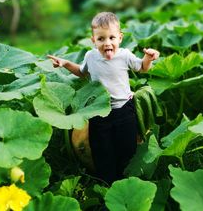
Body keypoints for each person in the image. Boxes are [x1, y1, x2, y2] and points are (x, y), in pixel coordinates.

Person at [48, 12, 159, 185]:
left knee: (127, 148)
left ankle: (127, 181)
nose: (107, 43)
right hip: (99, 112)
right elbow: (82, 72)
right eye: (101, 39)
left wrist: (148, 58)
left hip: (124, 111)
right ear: (93, 40)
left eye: (112, 38)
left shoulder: (125, 55)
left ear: (120, 38)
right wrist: (65, 63)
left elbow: (142, 68)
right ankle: (107, 183)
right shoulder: (90, 57)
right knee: (102, 150)